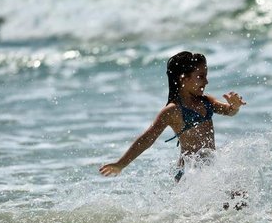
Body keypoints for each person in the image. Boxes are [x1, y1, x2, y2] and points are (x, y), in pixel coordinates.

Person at [99, 51, 246, 183]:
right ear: (184, 79)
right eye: (201, 76)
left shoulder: (206, 101)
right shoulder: (173, 110)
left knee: (239, 199)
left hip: (210, 170)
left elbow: (229, 112)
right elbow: (147, 138)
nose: (206, 81)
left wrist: (235, 106)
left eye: (206, 76)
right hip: (189, 174)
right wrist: (121, 164)